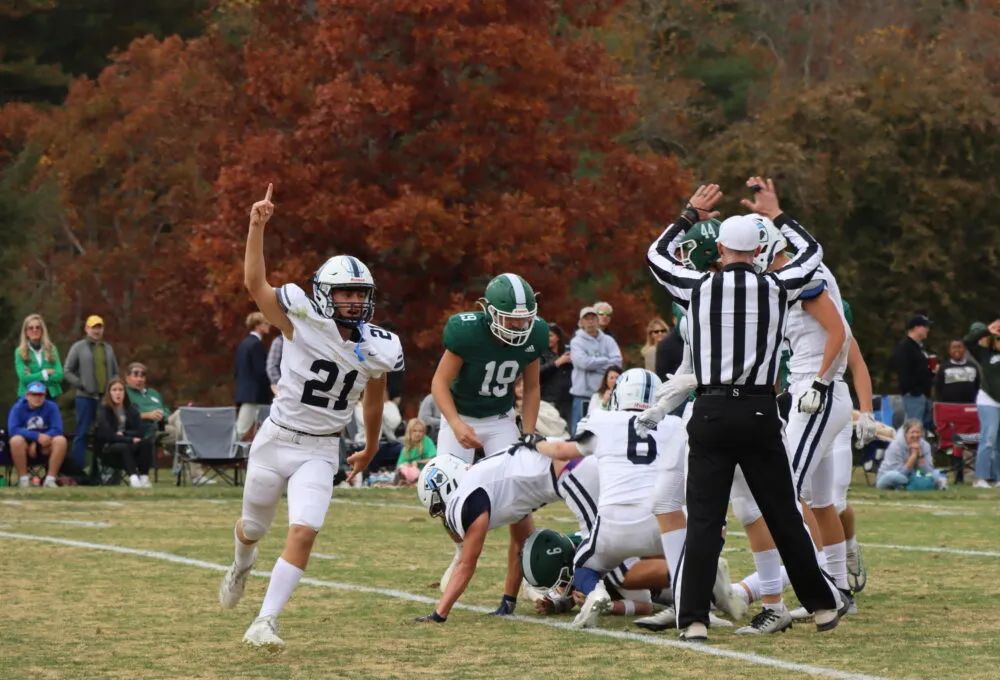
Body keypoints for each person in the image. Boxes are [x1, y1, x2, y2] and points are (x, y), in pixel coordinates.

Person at [646, 178, 840, 642]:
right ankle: (821, 606)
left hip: (710, 411)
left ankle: (692, 618)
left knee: (706, 519)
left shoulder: (697, 287)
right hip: (758, 410)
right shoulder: (777, 287)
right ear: (758, 250)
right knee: (782, 513)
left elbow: (655, 255)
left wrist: (689, 214)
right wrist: (777, 214)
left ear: (721, 248)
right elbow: (812, 251)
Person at [218, 184, 403, 651]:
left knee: (304, 530)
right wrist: (256, 226)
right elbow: (255, 284)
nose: (352, 302)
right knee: (253, 528)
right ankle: (242, 563)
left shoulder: (378, 345)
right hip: (276, 438)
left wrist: (373, 444)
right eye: (343, 293)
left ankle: (265, 621)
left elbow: (374, 399)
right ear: (323, 294)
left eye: (359, 294)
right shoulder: (298, 318)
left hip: (321, 448)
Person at [413, 440, 582, 624]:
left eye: (439, 506)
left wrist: (439, 614)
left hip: (569, 467)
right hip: (563, 461)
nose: (443, 513)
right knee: (533, 552)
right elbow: (521, 544)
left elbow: (466, 564)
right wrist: (508, 602)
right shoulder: (492, 482)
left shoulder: (469, 496)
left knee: (602, 543)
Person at [430, 273, 549, 465]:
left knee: (509, 482)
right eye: (510, 318)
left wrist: (528, 433)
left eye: (525, 318)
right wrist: (455, 422)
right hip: (462, 414)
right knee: (449, 483)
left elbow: (532, 387)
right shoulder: (467, 333)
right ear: (491, 313)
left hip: (500, 417)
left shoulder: (536, 334)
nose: (519, 325)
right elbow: (439, 382)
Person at [64, 315, 119, 473]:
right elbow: (67, 371)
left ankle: (101, 471)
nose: (96, 330)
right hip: (85, 397)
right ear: (87, 329)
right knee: (82, 433)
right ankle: (77, 471)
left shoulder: (107, 348)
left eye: (99, 327)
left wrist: (113, 388)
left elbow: (115, 372)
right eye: (93, 327)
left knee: (103, 434)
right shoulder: (78, 347)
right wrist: (81, 384)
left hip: (104, 399)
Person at [569, 306, 622, 435]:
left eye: (593, 318)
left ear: (598, 321)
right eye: (586, 318)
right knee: (579, 433)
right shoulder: (576, 342)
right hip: (583, 396)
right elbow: (583, 363)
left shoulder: (608, 340)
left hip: (604, 395)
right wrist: (605, 360)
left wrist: (594, 362)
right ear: (581, 322)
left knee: (603, 432)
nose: (590, 321)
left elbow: (617, 362)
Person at [95, 377, 154, 488]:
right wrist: (129, 439)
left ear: (124, 392)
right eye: (114, 390)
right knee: (124, 446)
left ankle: (144, 477)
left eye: (121, 390)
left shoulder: (131, 408)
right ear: (109, 393)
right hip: (109, 448)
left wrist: (125, 434)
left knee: (146, 443)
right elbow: (108, 435)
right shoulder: (104, 409)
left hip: (129, 443)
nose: (118, 393)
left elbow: (140, 431)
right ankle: (133, 478)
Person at [7, 381, 68, 487]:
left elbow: (57, 429)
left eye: (41, 395)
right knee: (15, 440)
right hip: (25, 445)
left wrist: (39, 441)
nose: (37, 398)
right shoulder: (18, 408)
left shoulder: (52, 407)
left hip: (45, 444)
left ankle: (50, 480)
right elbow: (13, 429)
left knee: (61, 440)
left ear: (45, 396)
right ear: (27, 395)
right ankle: (23, 480)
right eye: (34, 394)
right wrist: (36, 437)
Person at [964, 320, 1000, 488]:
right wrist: (987, 330)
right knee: (988, 439)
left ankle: (997, 478)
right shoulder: (984, 354)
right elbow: (968, 341)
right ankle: (980, 478)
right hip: (988, 401)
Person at [234, 311, 273, 439]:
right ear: (257, 325)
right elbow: (261, 371)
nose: (269, 326)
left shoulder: (244, 344)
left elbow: (237, 371)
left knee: (244, 429)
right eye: (266, 323)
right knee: (241, 431)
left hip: (245, 393)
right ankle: (231, 456)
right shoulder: (256, 345)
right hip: (254, 395)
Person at [875, 420, 947, 490]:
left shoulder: (925, 445)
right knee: (896, 476)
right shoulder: (895, 446)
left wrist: (920, 456)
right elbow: (901, 473)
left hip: (914, 475)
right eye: (912, 432)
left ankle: (941, 487)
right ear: (906, 433)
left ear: (921, 433)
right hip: (890, 476)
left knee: (938, 473)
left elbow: (928, 471)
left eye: (918, 432)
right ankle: (916, 486)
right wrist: (913, 456)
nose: (915, 435)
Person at [892, 314, 935, 430]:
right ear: (916, 328)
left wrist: (932, 371)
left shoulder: (919, 348)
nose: (928, 329)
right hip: (914, 396)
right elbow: (903, 371)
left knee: (921, 429)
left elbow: (920, 370)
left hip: (924, 395)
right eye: (925, 326)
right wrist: (913, 391)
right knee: (913, 429)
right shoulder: (905, 347)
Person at [124, 362, 174, 447]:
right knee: (179, 432)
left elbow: (165, 409)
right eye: (135, 375)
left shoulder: (153, 392)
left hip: (165, 421)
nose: (139, 379)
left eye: (142, 376)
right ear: (127, 378)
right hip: (148, 428)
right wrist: (147, 415)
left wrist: (162, 414)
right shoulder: (124, 393)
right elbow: (124, 416)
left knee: (182, 415)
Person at [15, 314, 64, 399]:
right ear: (26, 332)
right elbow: (24, 378)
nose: (35, 330)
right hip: (28, 396)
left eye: (38, 327)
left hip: (49, 396)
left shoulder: (52, 349)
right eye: (31, 328)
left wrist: (32, 376)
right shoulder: (20, 352)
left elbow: (59, 376)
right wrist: (45, 373)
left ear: (42, 330)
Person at [539, 323, 573, 427]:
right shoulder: (541, 353)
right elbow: (538, 372)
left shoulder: (568, 351)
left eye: (550, 335)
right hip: (549, 398)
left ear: (558, 337)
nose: (546, 338)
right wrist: (557, 363)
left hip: (568, 398)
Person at [935, 339, 979, 404]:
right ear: (949, 351)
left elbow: (977, 385)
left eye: (959, 347)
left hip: (969, 405)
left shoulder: (972, 366)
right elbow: (938, 387)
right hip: (949, 405)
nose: (957, 350)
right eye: (954, 347)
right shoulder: (944, 367)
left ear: (964, 349)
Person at [396, 418, 436, 485]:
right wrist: (407, 464)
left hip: (425, 471)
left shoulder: (427, 441)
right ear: (410, 432)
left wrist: (418, 462)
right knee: (402, 469)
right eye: (414, 431)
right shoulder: (407, 445)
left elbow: (434, 460)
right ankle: (407, 481)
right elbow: (399, 464)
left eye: (420, 431)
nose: (418, 434)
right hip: (411, 471)